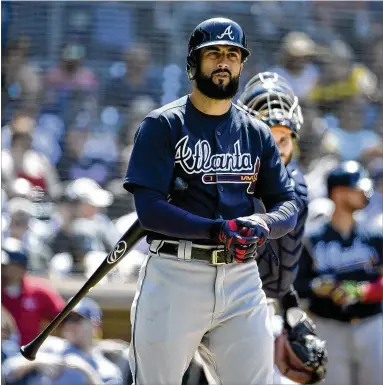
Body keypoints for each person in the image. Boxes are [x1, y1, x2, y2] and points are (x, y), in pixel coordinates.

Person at [123, 17, 298, 385]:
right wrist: (217, 230)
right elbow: (149, 209)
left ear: (241, 64)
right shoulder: (162, 125)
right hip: (175, 274)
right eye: (214, 53)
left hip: (241, 279)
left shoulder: (257, 132)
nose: (224, 61)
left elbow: (287, 204)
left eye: (233, 54)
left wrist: (264, 224)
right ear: (193, 64)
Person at [237, 72, 327, 384]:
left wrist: (291, 313)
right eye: (267, 138)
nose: (277, 149)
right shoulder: (231, 186)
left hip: (266, 309)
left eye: (283, 140)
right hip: (227, 309)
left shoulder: (298, 186)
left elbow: (282, 263)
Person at [295, 161, 383, 385]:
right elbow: (296, 285)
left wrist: (363, 291)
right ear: (338, 192)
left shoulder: (374, 235)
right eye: (357, 188)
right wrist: (318, 286)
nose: (364, 193)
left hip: (371, 324)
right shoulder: (312, 240)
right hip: (329, 326)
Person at [1, 237, 65, 346]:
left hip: (30, 355)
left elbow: (64, 319)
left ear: (20, 268)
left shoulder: (39, 290)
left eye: (5, 266)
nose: (2, 269)